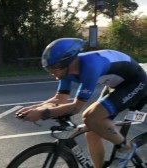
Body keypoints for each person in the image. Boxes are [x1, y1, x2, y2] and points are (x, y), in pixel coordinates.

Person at [16, 38, 147, 168]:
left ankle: (126, 148)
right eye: (49, 69)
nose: (52, 73)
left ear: (68, 61)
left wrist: (43, 113)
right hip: (115, 84)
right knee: (91, 132)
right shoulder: (66, 70)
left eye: (54, 68)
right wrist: (34, 108)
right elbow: (60, 98)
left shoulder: (90, 66)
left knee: (91, 117)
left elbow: (75, 107)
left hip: (136, 82)